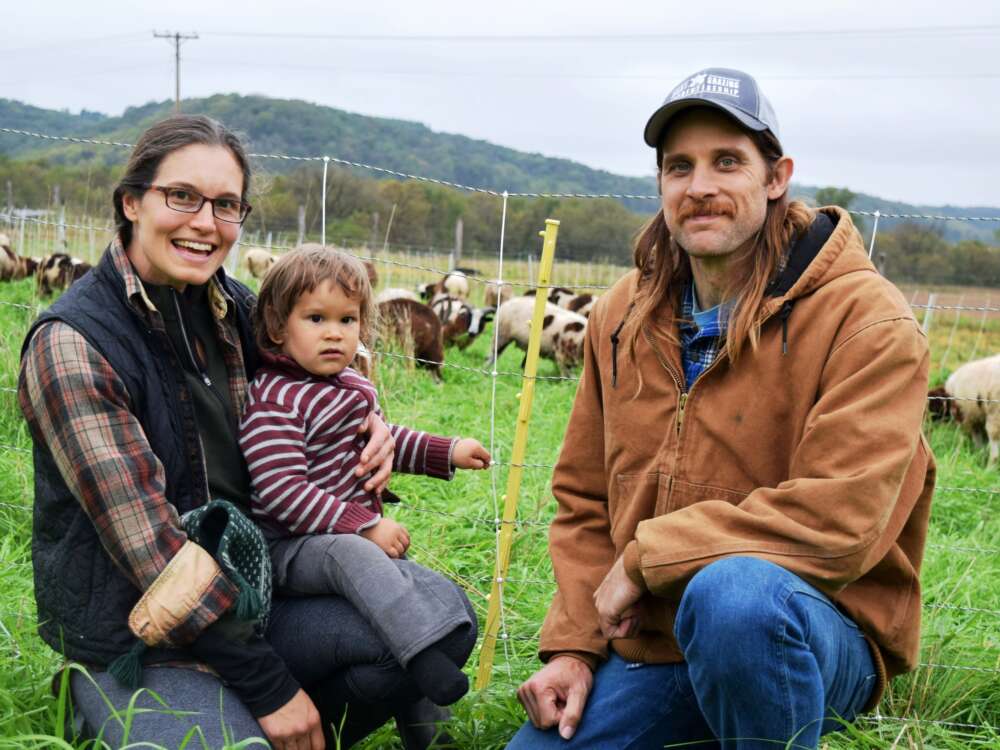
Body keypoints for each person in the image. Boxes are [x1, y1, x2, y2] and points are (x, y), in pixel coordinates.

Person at [18, 114, 476, 749]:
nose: (205, 223)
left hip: (258, 588)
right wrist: (271, 688)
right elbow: (154, 555)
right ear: (132, 202)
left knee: (442, 621)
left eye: (226, 205)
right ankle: (102, 699)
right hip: (143, 627)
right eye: (181, 197)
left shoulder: (234, 307)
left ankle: (274, 722)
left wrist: (370, 419)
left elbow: (322, 359)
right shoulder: (74, 345)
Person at [510, 68, 934, 749]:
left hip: (810, 631)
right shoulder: (621, 315)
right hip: (657, 642)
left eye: (727, 161)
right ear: (661, 186)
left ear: (776, 177)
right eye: (680, 166)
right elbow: (585, 497)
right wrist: (574, 648)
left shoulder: (866, 321)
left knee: (735, 597)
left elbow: (841, 519)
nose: (700, 186)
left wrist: (650, 556)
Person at [241, 245, 491, 708]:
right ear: (278, 326)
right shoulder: (276, 399)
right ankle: (421, 652)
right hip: (288, 547)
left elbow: (383, 440)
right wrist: (365, 524)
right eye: (316, 319)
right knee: (352, 553)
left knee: (367, 563)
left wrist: (447, 451)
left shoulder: (349, 385)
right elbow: (282, 493)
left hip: (336, 536)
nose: (334, 334)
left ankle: (427, 727)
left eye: (347, 320)